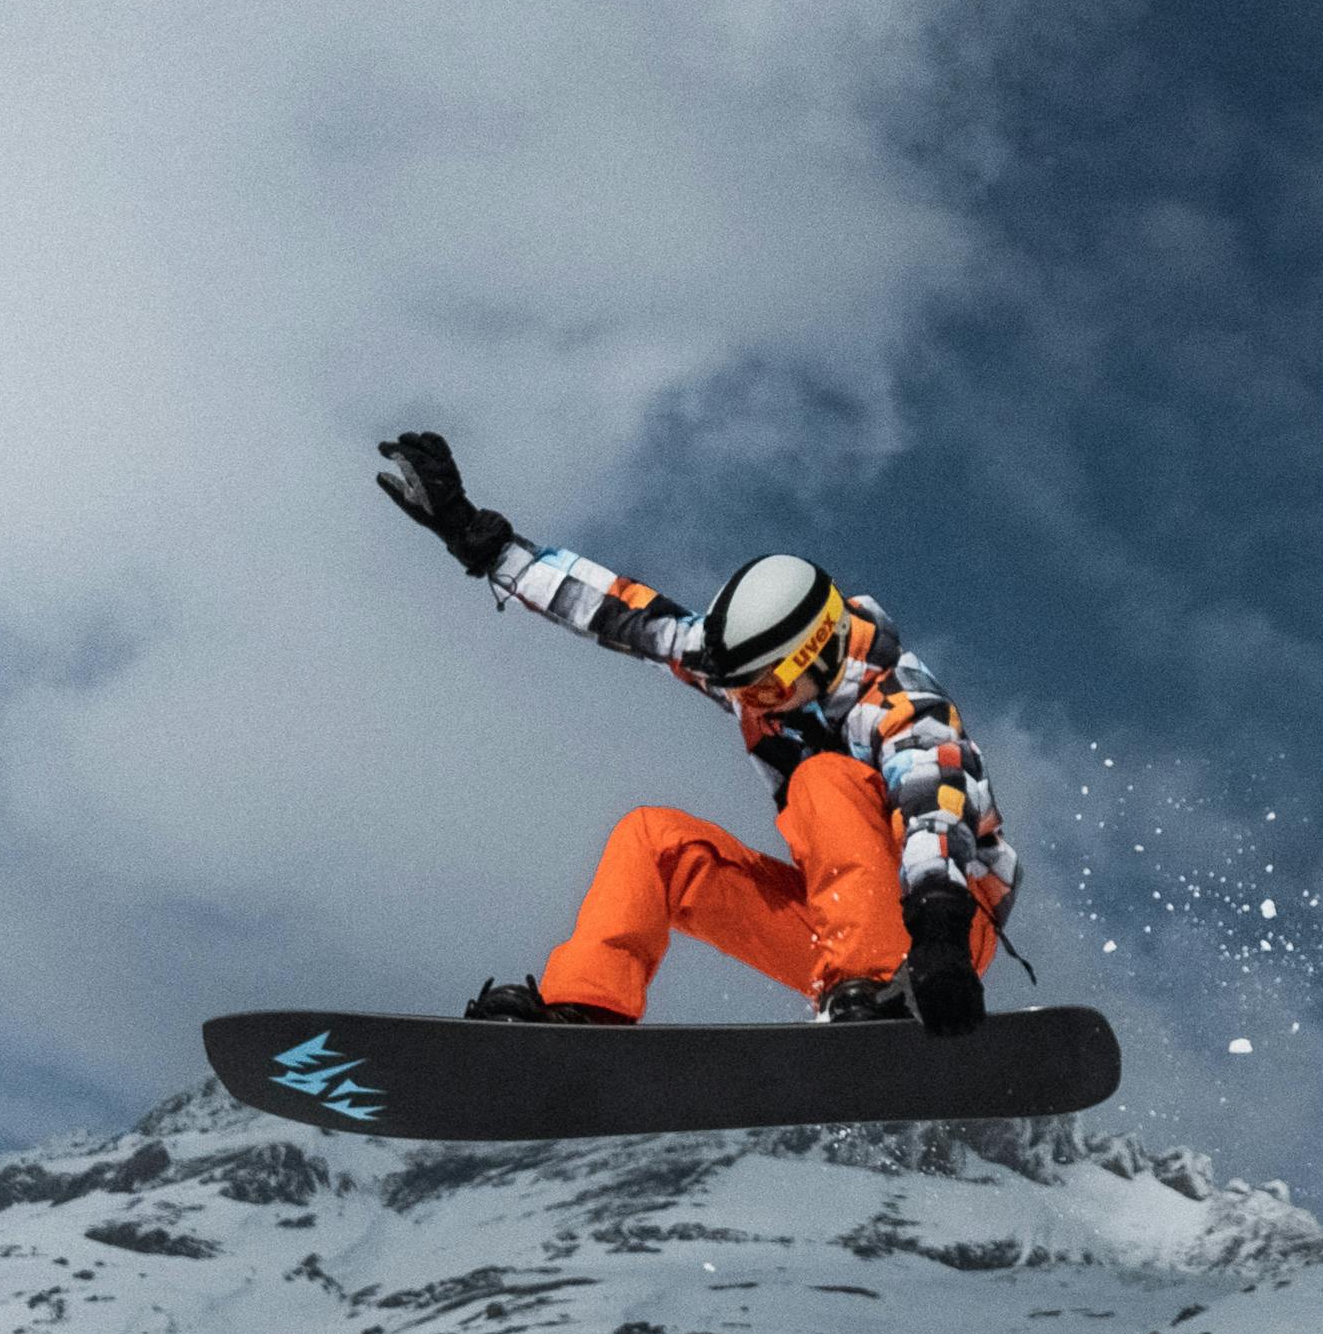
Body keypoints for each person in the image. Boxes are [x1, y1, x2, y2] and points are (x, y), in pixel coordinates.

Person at [375, 431, 1017, 1037]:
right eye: (743, 693)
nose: (754, 705)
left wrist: (938, 934)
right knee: (653, 839)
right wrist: (484, 545)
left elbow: (935, 812)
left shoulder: (905, 708)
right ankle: (588, 1008)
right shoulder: (755, 674)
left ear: (818, 653)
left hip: (944, 934)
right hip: (835, 933)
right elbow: (626, 616)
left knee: (822, 778)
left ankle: (879, 992)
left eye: (766, 691)